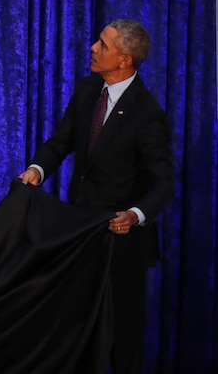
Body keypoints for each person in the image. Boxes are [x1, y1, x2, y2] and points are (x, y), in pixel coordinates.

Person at [18, 19, 175, 373]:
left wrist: (134, 215)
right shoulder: (89, 89)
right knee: (76, 328)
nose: (92, 47)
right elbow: (61, 141)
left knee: (123, 335)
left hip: (122, 243)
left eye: (103, 44)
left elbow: (164, 184)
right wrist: (37, 170)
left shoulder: (148, 114)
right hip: (80, 236)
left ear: (124, 60)